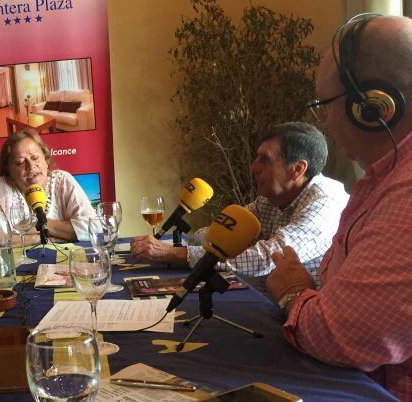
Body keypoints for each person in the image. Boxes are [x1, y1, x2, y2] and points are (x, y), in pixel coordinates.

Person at [267, 14, 412, 402]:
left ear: (373, 107)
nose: (324, 121)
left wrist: (293, 293)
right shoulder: (386, 177)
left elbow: (339, 333)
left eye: (325, 106)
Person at [131, 122, 349, 293]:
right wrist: (197, 238)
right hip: (269, 302)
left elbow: (266, 258)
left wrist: (173, 253)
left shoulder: (325, 203)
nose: (253, 167)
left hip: (305, 322)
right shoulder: (272, 197)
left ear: (297, 169)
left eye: (265, 160)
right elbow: (226, 233)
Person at [0, 130, 96, 246]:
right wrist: (38, 238)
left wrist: (40, 225)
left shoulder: (62, 181)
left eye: (35, 158)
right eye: (20, 162)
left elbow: (93, 228)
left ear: (46, 160)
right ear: (9, 170)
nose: (31, 166)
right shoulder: (1, 187)